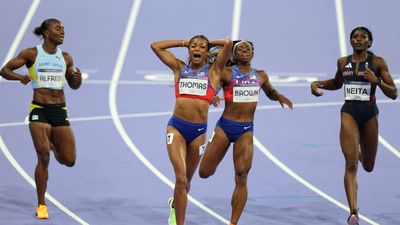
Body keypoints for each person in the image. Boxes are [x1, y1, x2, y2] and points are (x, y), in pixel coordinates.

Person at [199, 40, 293, 225]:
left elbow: (270, 92)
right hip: (225, 128)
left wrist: (279, 96)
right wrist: (212, 98)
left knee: (242, 176)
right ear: (233, 55)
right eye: (239, 48)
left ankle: (233, 222)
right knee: (204, 172)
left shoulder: (261, 75)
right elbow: (210, 90)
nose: (244, 51)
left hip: (246, 131)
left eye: (247, 49)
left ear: (252, 54)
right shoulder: (227, 73)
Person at [310, 27, 397, 225]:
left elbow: (394, 93)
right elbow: (337, 83)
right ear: (351, 42)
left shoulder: (377, 62)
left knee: (368, 166)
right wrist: (318, 84)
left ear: (369, 43)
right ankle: (353, 213)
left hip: (369, 115)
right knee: (350, 163)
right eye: (355, 37)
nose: (358, 40)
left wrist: (378, 82)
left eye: (363, 37)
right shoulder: (343, 62)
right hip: (348, 112)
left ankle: (358, 149)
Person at [0, 18, 82, 219]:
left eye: (63, 28)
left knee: (69, 160)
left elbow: (73, 84)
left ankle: (52, 145)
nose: (62, 31)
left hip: (59, 111)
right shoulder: (32, 54)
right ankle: (42, 204)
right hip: (39, 109)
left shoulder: (67, 58)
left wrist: (76, 80)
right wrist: (21, 78)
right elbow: (4, 70)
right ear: (46, 33)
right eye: (58, 28)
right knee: (43, 156)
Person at [150, 35, 232, 225]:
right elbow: (155, 46)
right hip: (177, 128)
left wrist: (209, 43)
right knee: (180, 179)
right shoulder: (179, 68)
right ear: (188, 50)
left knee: (186, 183)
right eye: (193, 46)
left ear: (206, 51)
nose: (197, 49)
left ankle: (174, 206)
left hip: (198, 134)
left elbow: (228, 43)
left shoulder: (214, 72)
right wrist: (183, 42)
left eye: (202, 47)